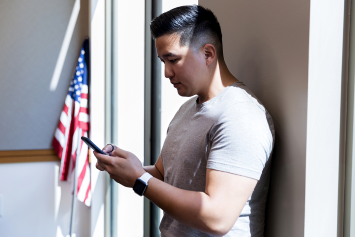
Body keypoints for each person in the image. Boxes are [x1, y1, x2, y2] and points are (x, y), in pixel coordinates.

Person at [94, 4, 275, 237]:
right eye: (163, 62)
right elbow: (163, 176)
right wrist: (125, 168)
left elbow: (217, 218)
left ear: (208, 54)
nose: (167, 73)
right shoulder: (187, 109)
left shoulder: (241, 115)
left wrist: (138, 178)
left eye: (173, 60)